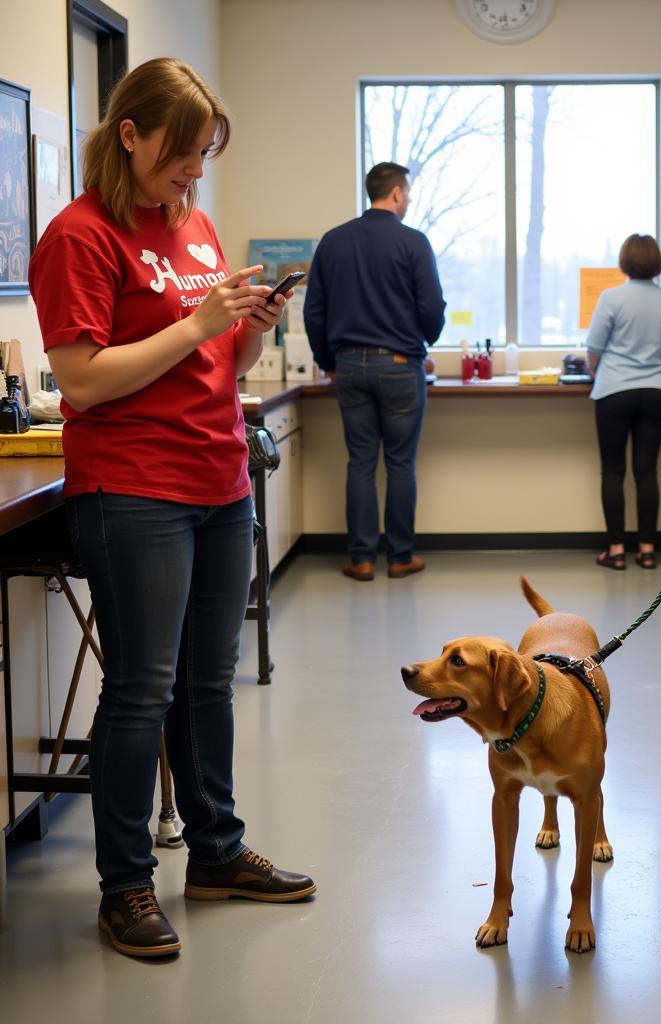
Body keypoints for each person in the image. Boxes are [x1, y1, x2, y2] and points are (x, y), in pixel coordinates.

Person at [28, 57, 315, 959]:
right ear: (131, 135)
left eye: (204, 159)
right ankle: (124, 886)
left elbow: (213, 364)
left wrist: (248, 324)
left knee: (208, 683)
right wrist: (196, 325)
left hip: (218, 475)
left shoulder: (189, 224)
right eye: (183, 155)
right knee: (142, 690)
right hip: (134, 484)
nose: (194, 174)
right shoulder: (79, 236)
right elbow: (79, 377)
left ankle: (218, 853)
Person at [304, 161, 446, 582]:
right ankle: (400, 557)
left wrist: (330, 363)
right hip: (402, 366)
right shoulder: (413, 242)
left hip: (348, 365)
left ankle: (361, 558)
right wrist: (423, 343)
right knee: (401, 463)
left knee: (360, 463)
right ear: (398, 194)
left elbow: (315, 312)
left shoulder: (333, 241)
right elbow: (432, 309)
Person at [586, 234, 661, 570]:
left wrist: (593, 371)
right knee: (647, 471)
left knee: (613, 470)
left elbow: (594, 346)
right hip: (656, 391)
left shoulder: (611, 298)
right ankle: (647, 550)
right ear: (657, 261)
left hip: (614, 389)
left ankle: (615, 552)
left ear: (625, 261)